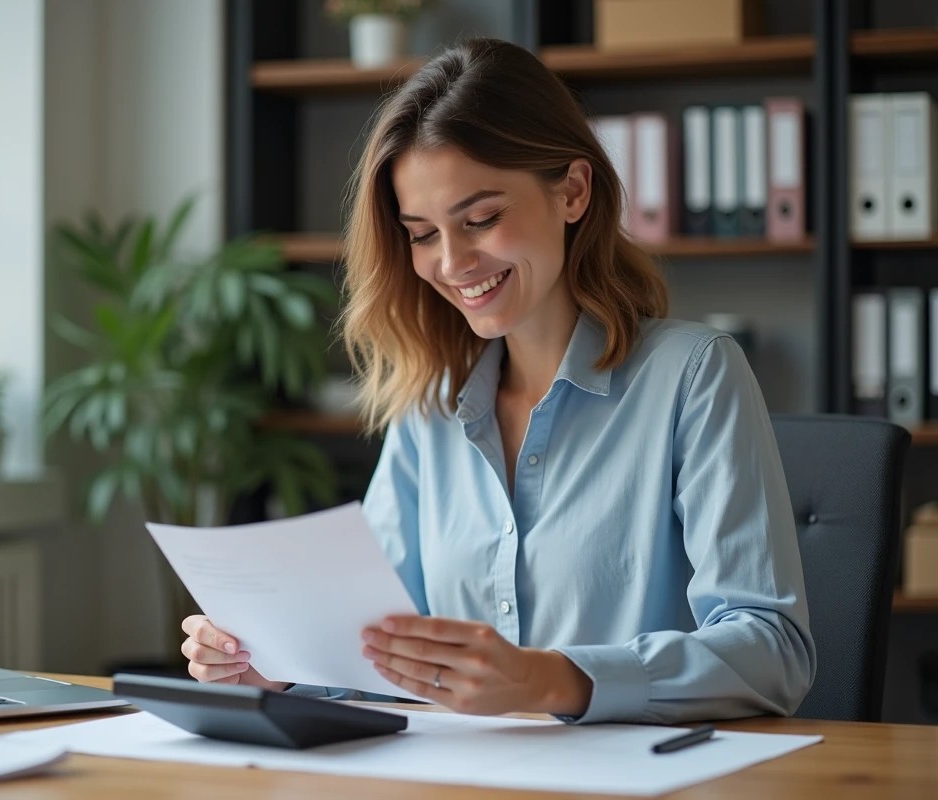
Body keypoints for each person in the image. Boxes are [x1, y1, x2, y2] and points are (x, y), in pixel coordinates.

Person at [180, 37, 816, 724]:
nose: (453, 262)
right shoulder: (429, 407)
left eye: (480, 218)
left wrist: (551, 680)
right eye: (422, 233)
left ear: (572, 192)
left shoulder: (693, 375)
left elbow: (772, 650)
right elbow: (374, 648)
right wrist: (270, 666)